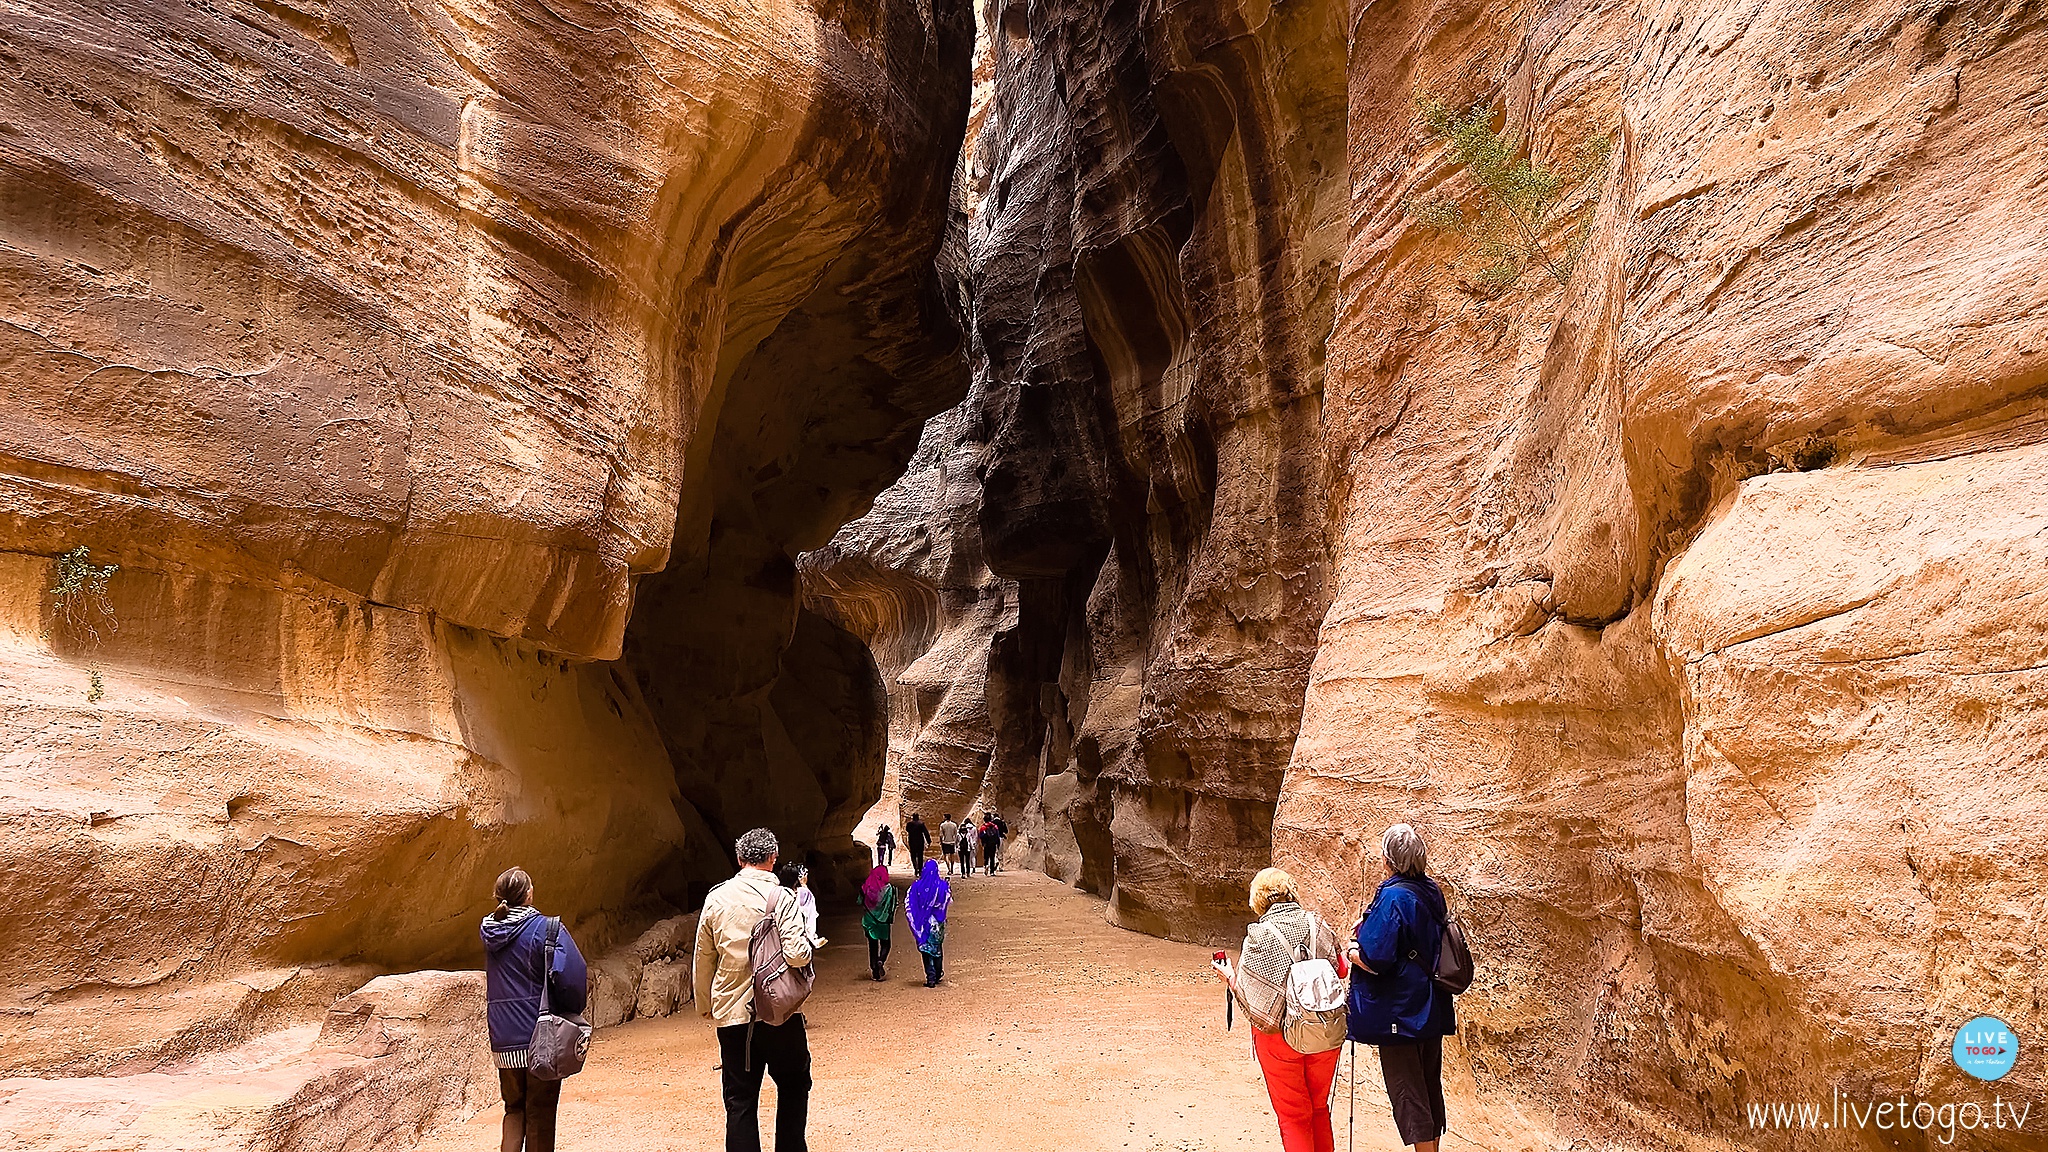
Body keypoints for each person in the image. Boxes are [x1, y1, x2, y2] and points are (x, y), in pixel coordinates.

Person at [693, 829, 816, 1152]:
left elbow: (704, 957)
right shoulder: (782, 897)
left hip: (733, 1012)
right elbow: (796, 955)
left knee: (740, 1098)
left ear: (739, 859)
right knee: (794, 1083)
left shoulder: (716, 898)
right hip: (779, 1012)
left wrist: (705, 1004)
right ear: (773, 859)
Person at [1210, 868, 1345, 1152]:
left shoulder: (1259, 935)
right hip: (1324, 1030)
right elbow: (1341, 970)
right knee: (1319, 1108)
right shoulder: (1317, 924)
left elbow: (1249, 994)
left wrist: (1230, 977)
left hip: (1279, 1038)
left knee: (1294, 1116)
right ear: (1291, 891)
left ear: (1257, 900)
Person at [1347, 824, 1456, 1152]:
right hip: (1429, 1006)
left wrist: (1353, 952)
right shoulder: (1431, 890)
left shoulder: (1393, 896)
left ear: (1389, 860)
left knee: (1408, 1092)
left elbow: (1376, 957)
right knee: (1428, 1084)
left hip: (1401, 1014)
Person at [482, 866, 588, 1152]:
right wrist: (571, 1011)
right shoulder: (546, 928)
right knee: (540, 1112)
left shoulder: (490, 930)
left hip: (503, 1038)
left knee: (513, 1108)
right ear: (529, 894)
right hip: (540, 1036)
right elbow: (573, 976)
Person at [905, 858, 951, 987]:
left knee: (926, 950)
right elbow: (947, 901)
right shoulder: (942, 886)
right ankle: (938, 973)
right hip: (938, 923)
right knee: (937, 948)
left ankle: (930, 977)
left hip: (923, 923)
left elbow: (909, 903)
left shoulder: (916, 887)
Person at [860, 863, 896, 981]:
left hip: (869, 921)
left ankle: (875, 971)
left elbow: (860, 901)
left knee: (872, 946)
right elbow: (892, 906)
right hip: (883, 921)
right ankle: (881, 960)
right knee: (886, 944)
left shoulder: (865, 887)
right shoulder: (890, 889)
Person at [780, 864, 827, 950]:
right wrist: (804, 885)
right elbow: (810, 915)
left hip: (780, 935)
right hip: (799, 936)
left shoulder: (777, 892)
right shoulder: (803, 893)